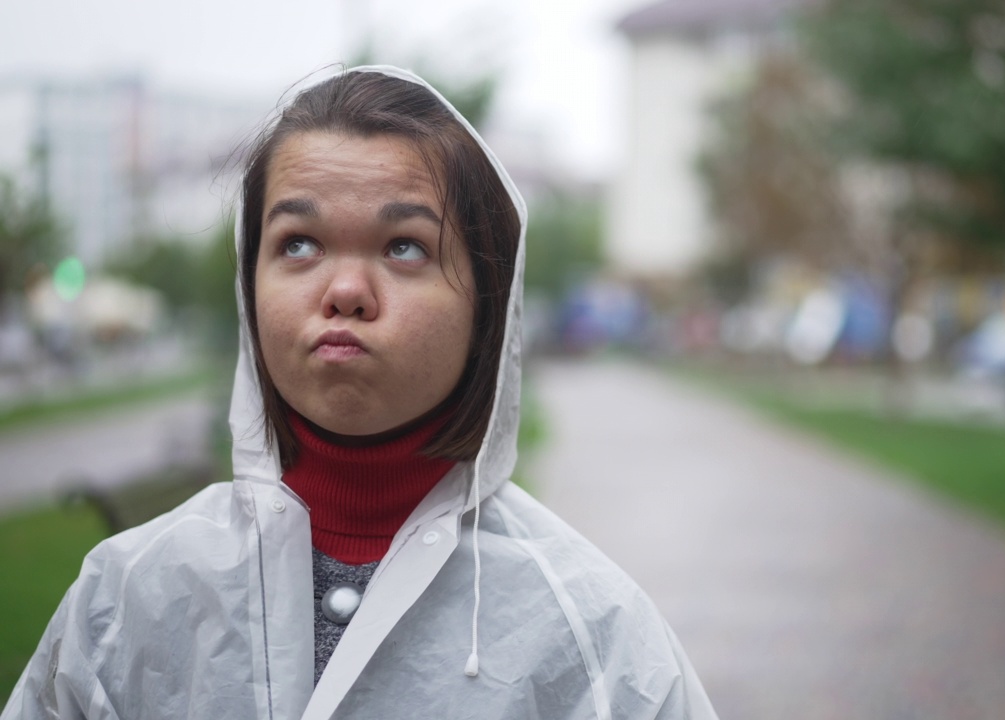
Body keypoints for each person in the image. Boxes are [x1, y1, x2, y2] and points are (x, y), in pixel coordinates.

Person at [1, 66, 718, 720]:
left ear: (489, 305)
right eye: (299, 244)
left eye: (404, 246)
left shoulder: (593, 635)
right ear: (250, 284)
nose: (344, 290)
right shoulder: (128, 599)